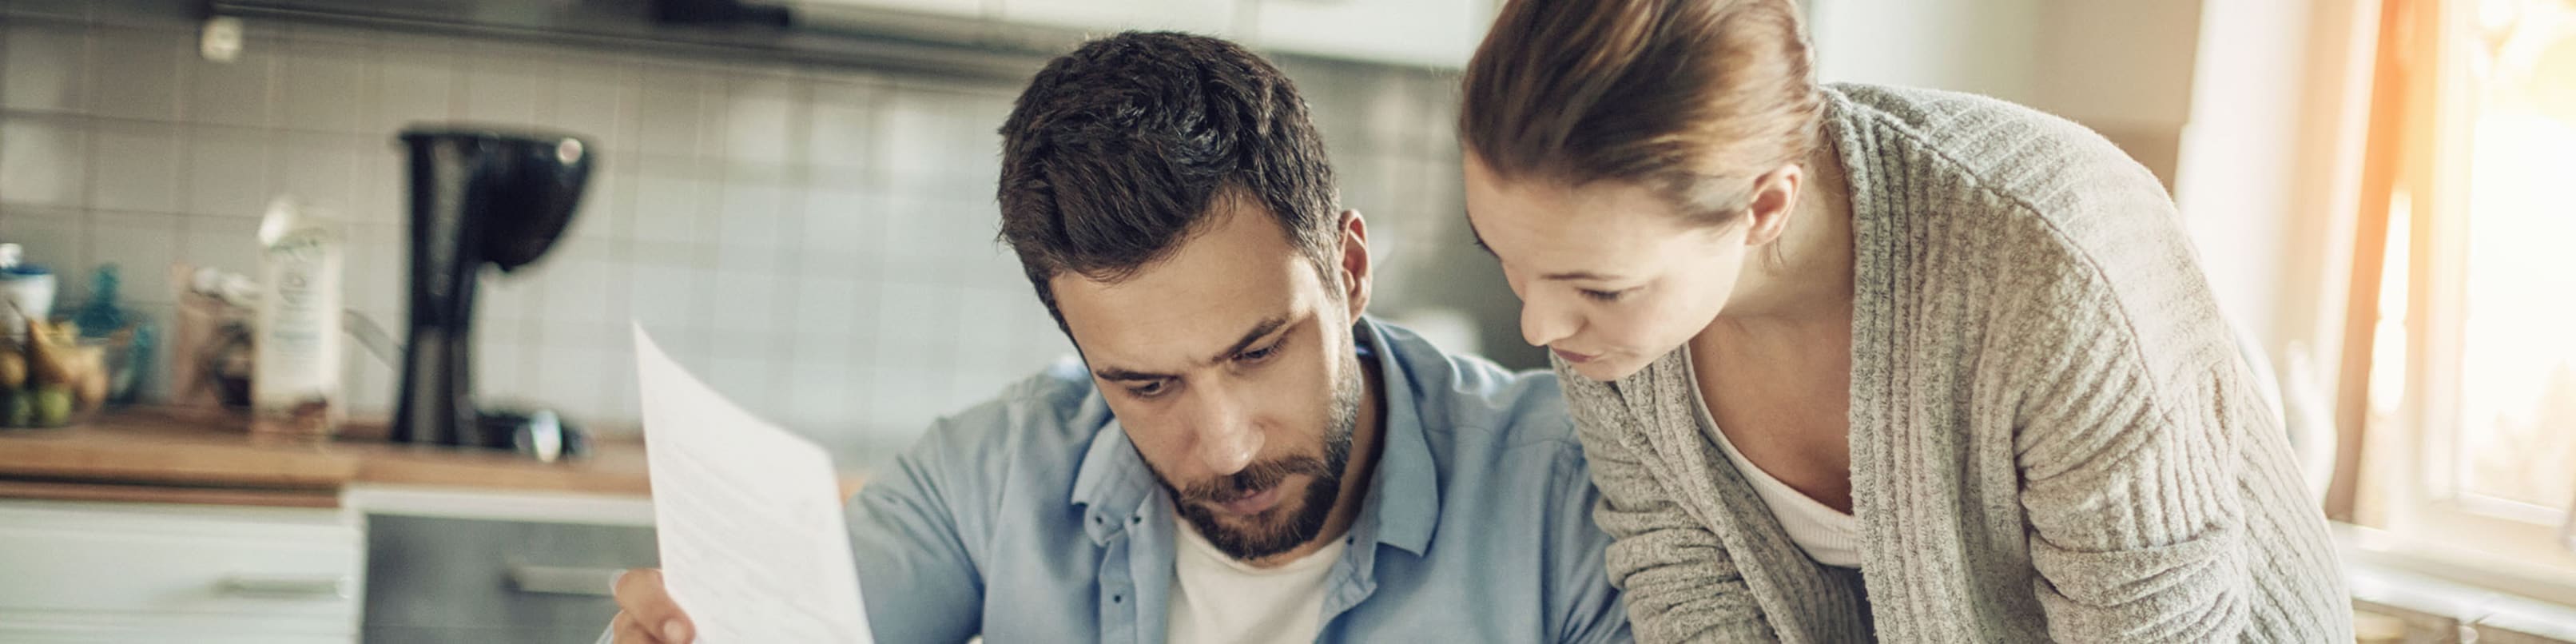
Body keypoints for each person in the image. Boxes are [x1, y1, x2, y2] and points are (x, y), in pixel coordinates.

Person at [606, 31, 1630, 643]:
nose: (1225, 444)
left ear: (1350, 270)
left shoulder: (1571, 492)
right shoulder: (991, 477)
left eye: (1257, 348)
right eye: (1145, 385)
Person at [1452, 0, 2351, 641]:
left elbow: (2152, 626)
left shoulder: (2046, 258)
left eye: (1597, 286)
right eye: (1507, 261)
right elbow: (1685, 589)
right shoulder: (1608, 330)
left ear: (1764, 207)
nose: (1539, 325)